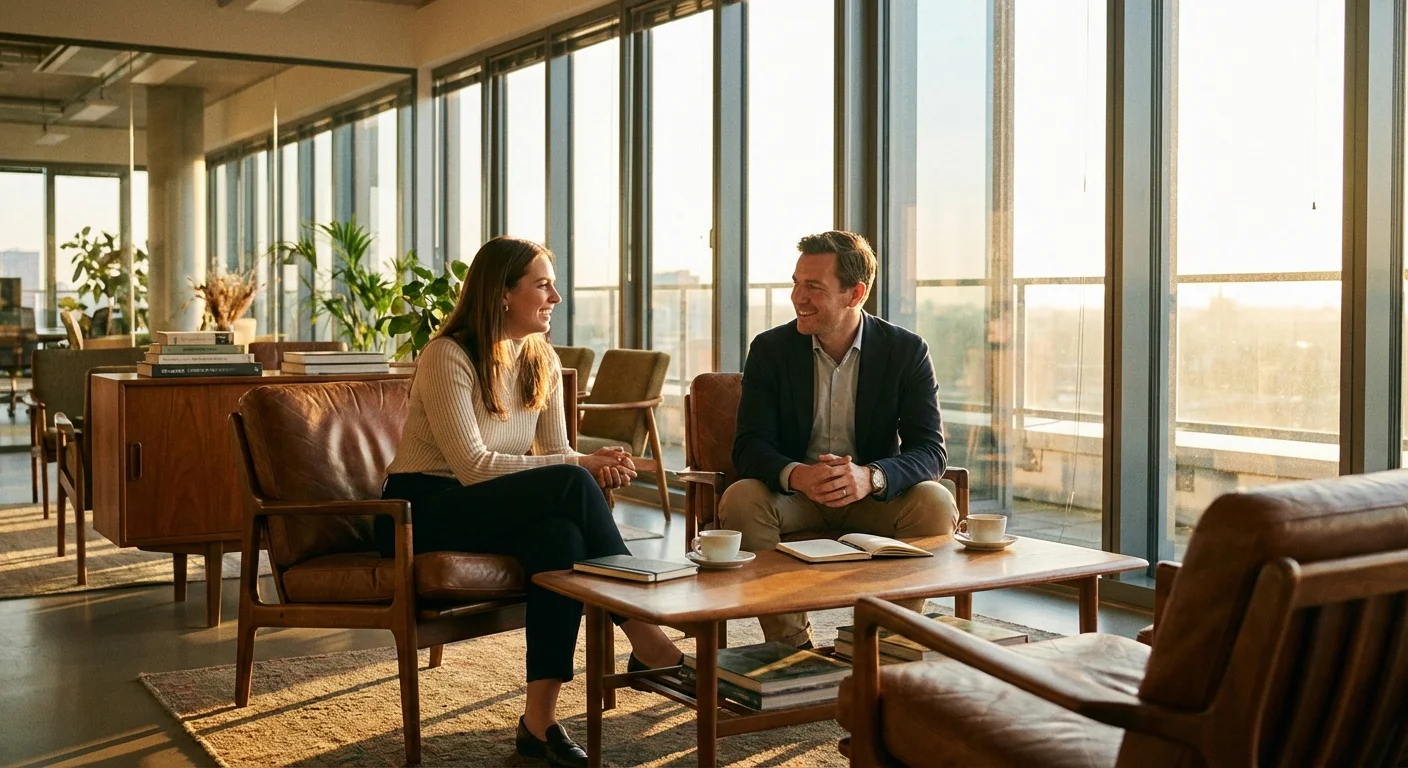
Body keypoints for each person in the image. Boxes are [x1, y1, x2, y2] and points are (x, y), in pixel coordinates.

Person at [378, 236, 681, 768]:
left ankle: (538, 723)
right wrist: (578, 468)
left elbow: (558, 453)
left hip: (486, 505)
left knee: (558, 537)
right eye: (542, 284)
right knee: (571, 481)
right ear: (501, 293)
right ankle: (645, 633)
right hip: (420, 512)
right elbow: (474, 467)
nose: (556, 297)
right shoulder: (447, 355)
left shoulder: (539, 356)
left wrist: (589, 461)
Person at [719, 230, 959, 648]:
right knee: (742, 497)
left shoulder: (906, 351)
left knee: (937, 501)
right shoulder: (770, 350)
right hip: (795, 500)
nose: (798, 297)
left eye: (813, 286)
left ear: (855, 293)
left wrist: (872, 477)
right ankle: (792, 647)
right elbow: (750, 445)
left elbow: (931, 450)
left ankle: (882, 645)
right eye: (796, 283)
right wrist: (799, 476)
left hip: (872, 499)